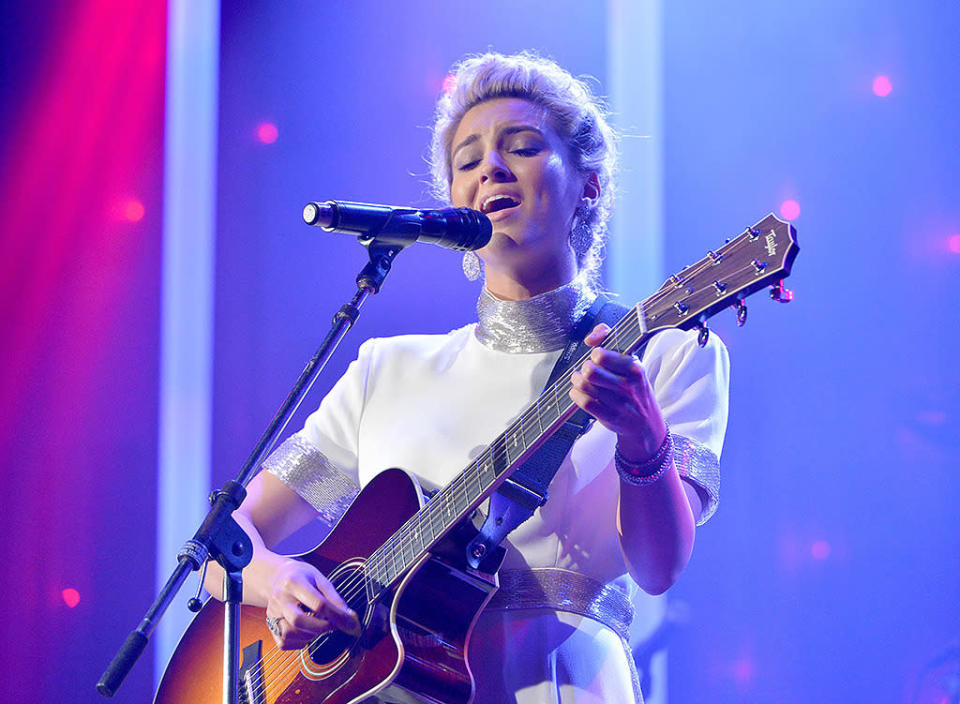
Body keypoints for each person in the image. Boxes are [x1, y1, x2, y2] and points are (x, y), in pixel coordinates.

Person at [205, 51, 728, 703]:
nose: (492, 168)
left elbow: (658, 568)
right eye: (467, 159)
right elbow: (229, 544)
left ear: (588, 185)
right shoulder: (386, 369)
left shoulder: (661, 350)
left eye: (524, 147)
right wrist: (279, 580)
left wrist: (642, 440)